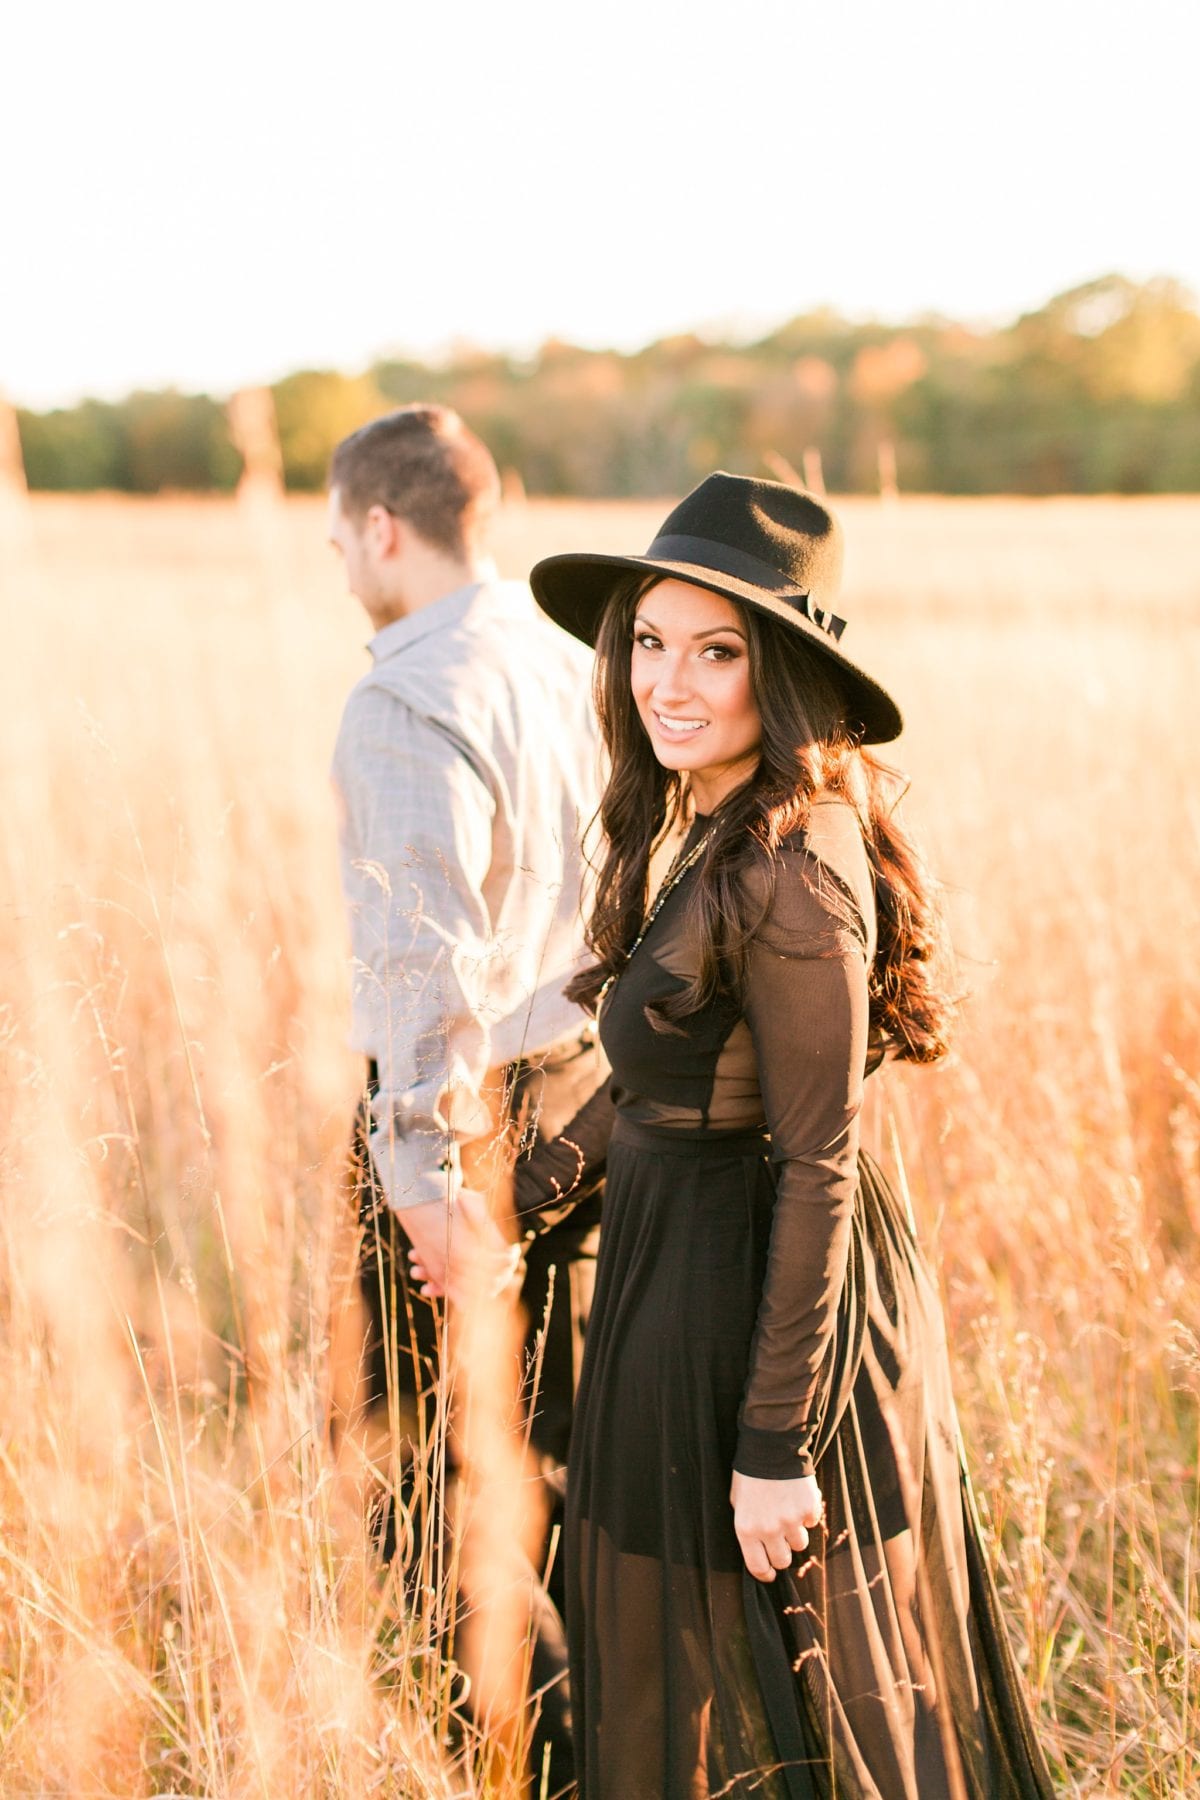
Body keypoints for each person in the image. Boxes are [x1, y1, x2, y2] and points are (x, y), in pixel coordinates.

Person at [414, 472, 1056, 1798]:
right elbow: (662, 1076)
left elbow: (822, 1162)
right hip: (674, 1275)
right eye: (650, 642)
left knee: (806, 1672)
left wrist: (776, 1449)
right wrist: (519, 1199)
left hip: (768, 1300)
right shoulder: (696, 819)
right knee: (668, 1653)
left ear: (781, 669)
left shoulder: (793, 872)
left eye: (716, 651)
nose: (671, 682)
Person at [325, 403, 604, 1792]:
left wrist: (426, 1184)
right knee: (549, 1444)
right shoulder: (573, 661)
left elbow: (422, 962)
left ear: (383, 527)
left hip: (472, 1118)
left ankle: (505, 1759)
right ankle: (592, 1742)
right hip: (588, 1099)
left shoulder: (403, 697)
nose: (337, 558)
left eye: (337, 533)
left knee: (435, 1468)